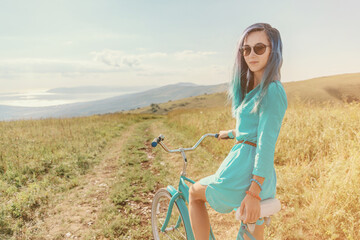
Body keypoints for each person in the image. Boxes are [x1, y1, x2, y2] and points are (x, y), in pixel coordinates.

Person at [188, 23, 288, 240]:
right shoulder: (259, 90)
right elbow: (255, 128)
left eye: (259, 48)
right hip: (260, 176)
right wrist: (233, 133)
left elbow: (266, 142)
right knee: (253, 232)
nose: (251, 54)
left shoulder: (272, 90)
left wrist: (254, 191)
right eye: (246, 49)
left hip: (246, 173)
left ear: (274, 51)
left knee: (195, 193)